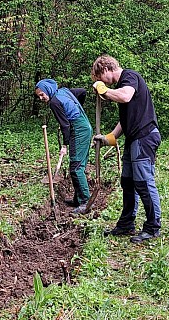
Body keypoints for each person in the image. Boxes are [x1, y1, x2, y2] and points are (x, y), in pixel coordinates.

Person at [91, 55, 161, 243]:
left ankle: (153, 227)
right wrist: (109, 138)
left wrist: (104, 90)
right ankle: (126, 224)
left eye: (99, 77)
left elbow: (125, 96)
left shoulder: (129, 77)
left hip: (144, 137)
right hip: (133, 138)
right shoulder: (123, 84)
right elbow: (125, 120)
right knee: (128, 182)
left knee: (144, 182)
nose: (100, 82)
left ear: (106, 69)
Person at [35, 78, 92, 213]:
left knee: (76, 167)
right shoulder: (64, 91)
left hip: (79, 130)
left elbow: (65, 125)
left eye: (42, 94)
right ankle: (78, 199)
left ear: (48, 90)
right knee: (78, 165)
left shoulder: (54, 102)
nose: (41, 98)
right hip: (85, 126)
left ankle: (86, 202)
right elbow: (82, 92)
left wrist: (65, 145)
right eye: (39, 96)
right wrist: (77, 107)